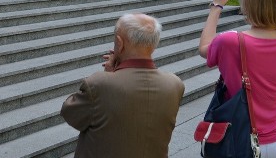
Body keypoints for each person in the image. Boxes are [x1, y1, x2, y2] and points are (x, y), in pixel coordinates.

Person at [199, 0, 276, 156]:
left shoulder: (231, 41)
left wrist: (217, 5)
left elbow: (204, 49)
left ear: (250, 3)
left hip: (242, 138)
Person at [61, 14, 184, 157]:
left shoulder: (99, 84)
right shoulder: (174, 84)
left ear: (120, 43)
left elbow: (70, 113)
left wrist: (109, 75)